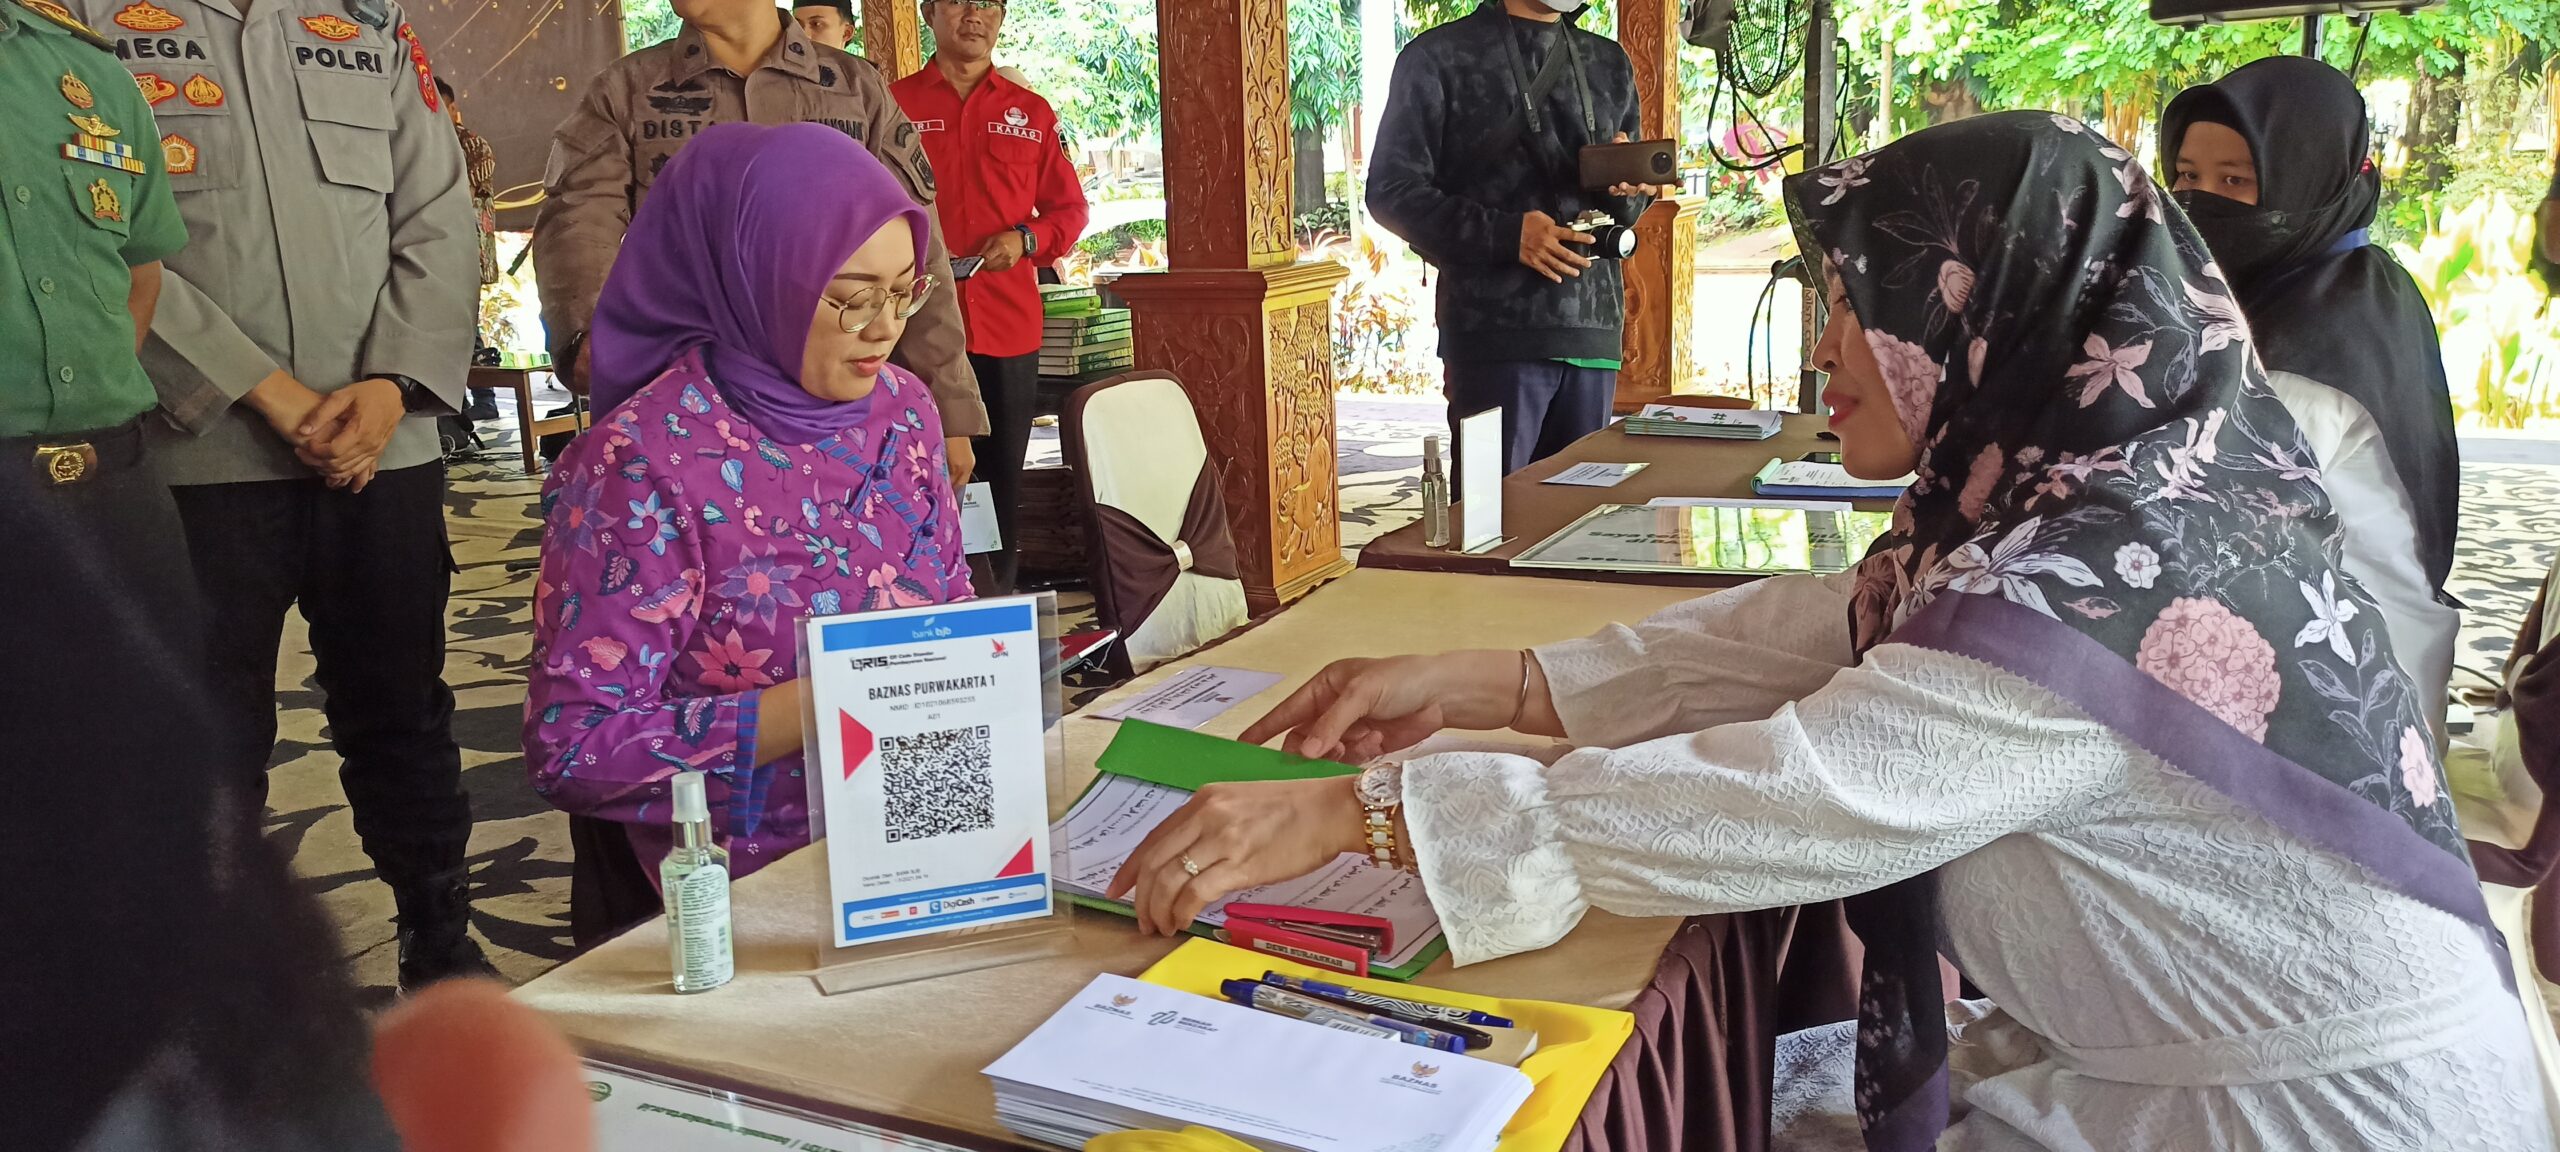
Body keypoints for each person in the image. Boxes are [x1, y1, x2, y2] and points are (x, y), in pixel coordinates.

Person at [1112, 112, 2553, 1150]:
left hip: (2311, 1119)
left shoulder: (2104, 586)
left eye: (1862, 311)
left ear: (1988, 314)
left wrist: (1369, 815)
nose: (1821, 352)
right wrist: (1496, 678)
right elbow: (1835, 632)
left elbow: (1805, 791)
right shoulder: (2095, 505)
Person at [66, 0, 489, 991]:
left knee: (404, 711)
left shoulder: (365, 22)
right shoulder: (84, 23)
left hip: (382, 444)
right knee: (208, 734)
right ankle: (207, 984)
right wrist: (262, 388)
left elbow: (437, 210)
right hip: (197, 445)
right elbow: (99, 234)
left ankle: (440, 943)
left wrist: (395, 382)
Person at [524, 122, 974, 943]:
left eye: (903, 291)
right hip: (740, 884)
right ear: (756, 277)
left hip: (917, 839)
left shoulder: (904, 411)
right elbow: (575, 750)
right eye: (851, 297)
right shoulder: (644, 464)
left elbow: (952, 606)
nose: (884, 328)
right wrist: (828, 701)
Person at [533, 0, 984, 485]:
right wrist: (587, 340)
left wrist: (949, 406)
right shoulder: (628, 90)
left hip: (841, 403)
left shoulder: (855, 88)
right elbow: (578, 224)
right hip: (697, 413)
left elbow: (917, 251)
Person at [2161, 55, 2461, 739]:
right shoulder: (2361, 278)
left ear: (2306, 177)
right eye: (2186, 176)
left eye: (2235, 180)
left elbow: (2202, 513)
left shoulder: (2304, 352)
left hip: (2357, 706)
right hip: (2361, 662)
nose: (2200, 201)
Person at [1367, 0, 1660, 477]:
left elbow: (1623, 210)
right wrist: (1507, 235)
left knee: (1579, 513)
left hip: (1593, 331)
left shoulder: (1608, 61)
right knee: (1491, 512)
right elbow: (1391, 192)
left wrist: (1628, 191)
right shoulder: (1438, 56)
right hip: (1493, 334)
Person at [891, 0, 1090, 594]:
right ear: (930, 13)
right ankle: (919, 597)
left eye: (989, 4)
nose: (973, 15)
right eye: (958, 2)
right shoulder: (893, 104)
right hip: (913, 327)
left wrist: (1026, 239)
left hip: (1006, 325)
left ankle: (995, 600)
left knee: (1001, 478)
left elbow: (1070, 210)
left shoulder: (1030, 112)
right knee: (913, 471)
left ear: (1001, 18)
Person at [443, 75, 505, 424]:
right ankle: (455, 404)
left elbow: (463, 190)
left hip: (468, 248)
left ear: (453, 108)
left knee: (465, 322)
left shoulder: (473, 146)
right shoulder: (423, 141)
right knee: (447, 325)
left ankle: (485, 397)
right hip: (438, 249)